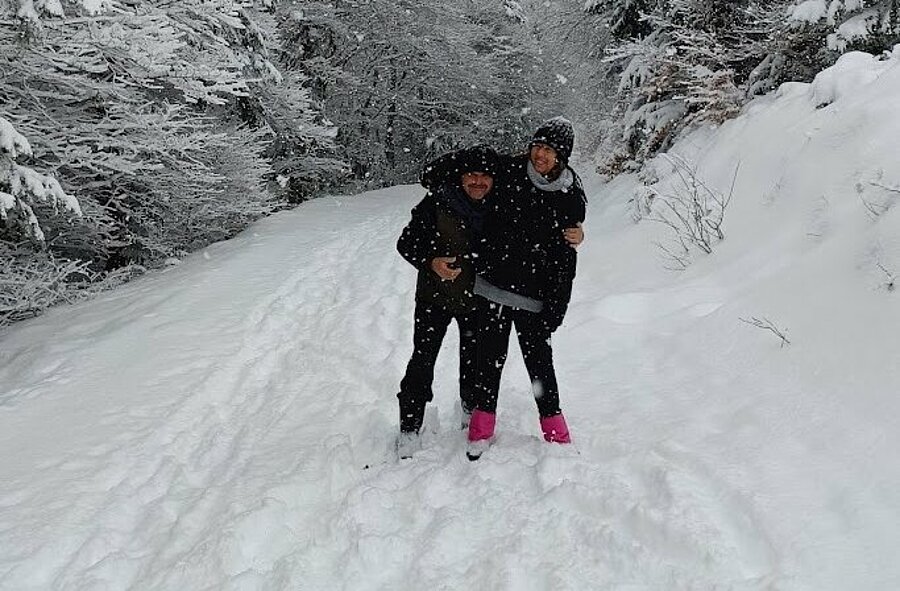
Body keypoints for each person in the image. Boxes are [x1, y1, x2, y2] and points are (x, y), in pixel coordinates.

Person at [465, 116, 587, 460]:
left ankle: (556, 433)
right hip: (493, 287)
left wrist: (557, 306)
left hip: (535, 296)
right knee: (488, 361)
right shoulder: (508, 171)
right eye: (537, 146)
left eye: (548, 149)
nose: (540, 154)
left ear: (562, 155)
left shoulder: (570, 196)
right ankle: (480, 430)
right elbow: (458, 172)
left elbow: (566, 259)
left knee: (541, 367)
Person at [394, 145, 499, 459]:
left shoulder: (501, 206)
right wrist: (431, 261)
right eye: (471, 175)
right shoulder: (438, 201)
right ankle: (410, 426)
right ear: (460, 176)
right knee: (422, 361)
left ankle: (470, 407)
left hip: (478, 299)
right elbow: (406, 242)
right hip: (434, 299)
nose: (478, 182)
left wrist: (572, 230)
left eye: (485, 176)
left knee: (475, 361)